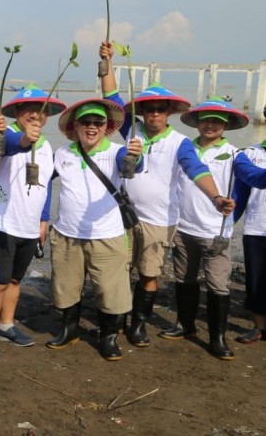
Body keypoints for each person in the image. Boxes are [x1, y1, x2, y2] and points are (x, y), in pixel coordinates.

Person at [100, 42, 233, 347]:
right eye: (150, 109)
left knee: (149, 274)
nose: (155, 114)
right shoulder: (130, 131)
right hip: (123, 217)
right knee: (119, 270)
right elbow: (112, 99)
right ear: (143, 112)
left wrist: (215, 198)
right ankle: (117, 319)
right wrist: (107, 62)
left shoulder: (180, 142)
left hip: (160, 220)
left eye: (161, 109)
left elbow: (197, 170)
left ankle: (139, 324)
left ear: (169, 112)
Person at [47, 97, 143, 360]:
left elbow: (133, 165)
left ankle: (108, 337)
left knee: (111, 290)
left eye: (98, 122)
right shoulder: (62, 154)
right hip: (67, 234)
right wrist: (41, 221)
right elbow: (40, 185)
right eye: (85, 122)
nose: (92, 127)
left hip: (107, 235)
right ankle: (69, 330)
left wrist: (135, 155)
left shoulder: (116, 152)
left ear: (106, 126)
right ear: (75, 126)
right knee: (66, 288)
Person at [0, 85, 66, 364]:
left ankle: (6, 324)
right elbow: (9, 149)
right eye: (28, 109)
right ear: (16, 112)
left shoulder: (47, 144)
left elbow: (46, 184)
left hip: (29, 225)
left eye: (41, 110)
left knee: (16, 280)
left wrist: (43, 220)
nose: (35, 115)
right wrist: (22, 140)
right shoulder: (5, 137)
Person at [159, 98, 246, 359]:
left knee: (218, 285)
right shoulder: (184, 148)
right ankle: (185, 327)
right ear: (196, 122)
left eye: (217, 121)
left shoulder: (235, 153)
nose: (210, 125)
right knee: (184, 279)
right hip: (184, 227)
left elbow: (251, 175)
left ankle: (217, 338)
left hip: (215, 231)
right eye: (205, 120)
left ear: (226, 125)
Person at [232, 135, 266, 345]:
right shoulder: (250, 154)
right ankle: (259, 327)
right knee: (254, 280)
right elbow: (240, 194)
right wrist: (229, 225)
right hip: (257, 227)